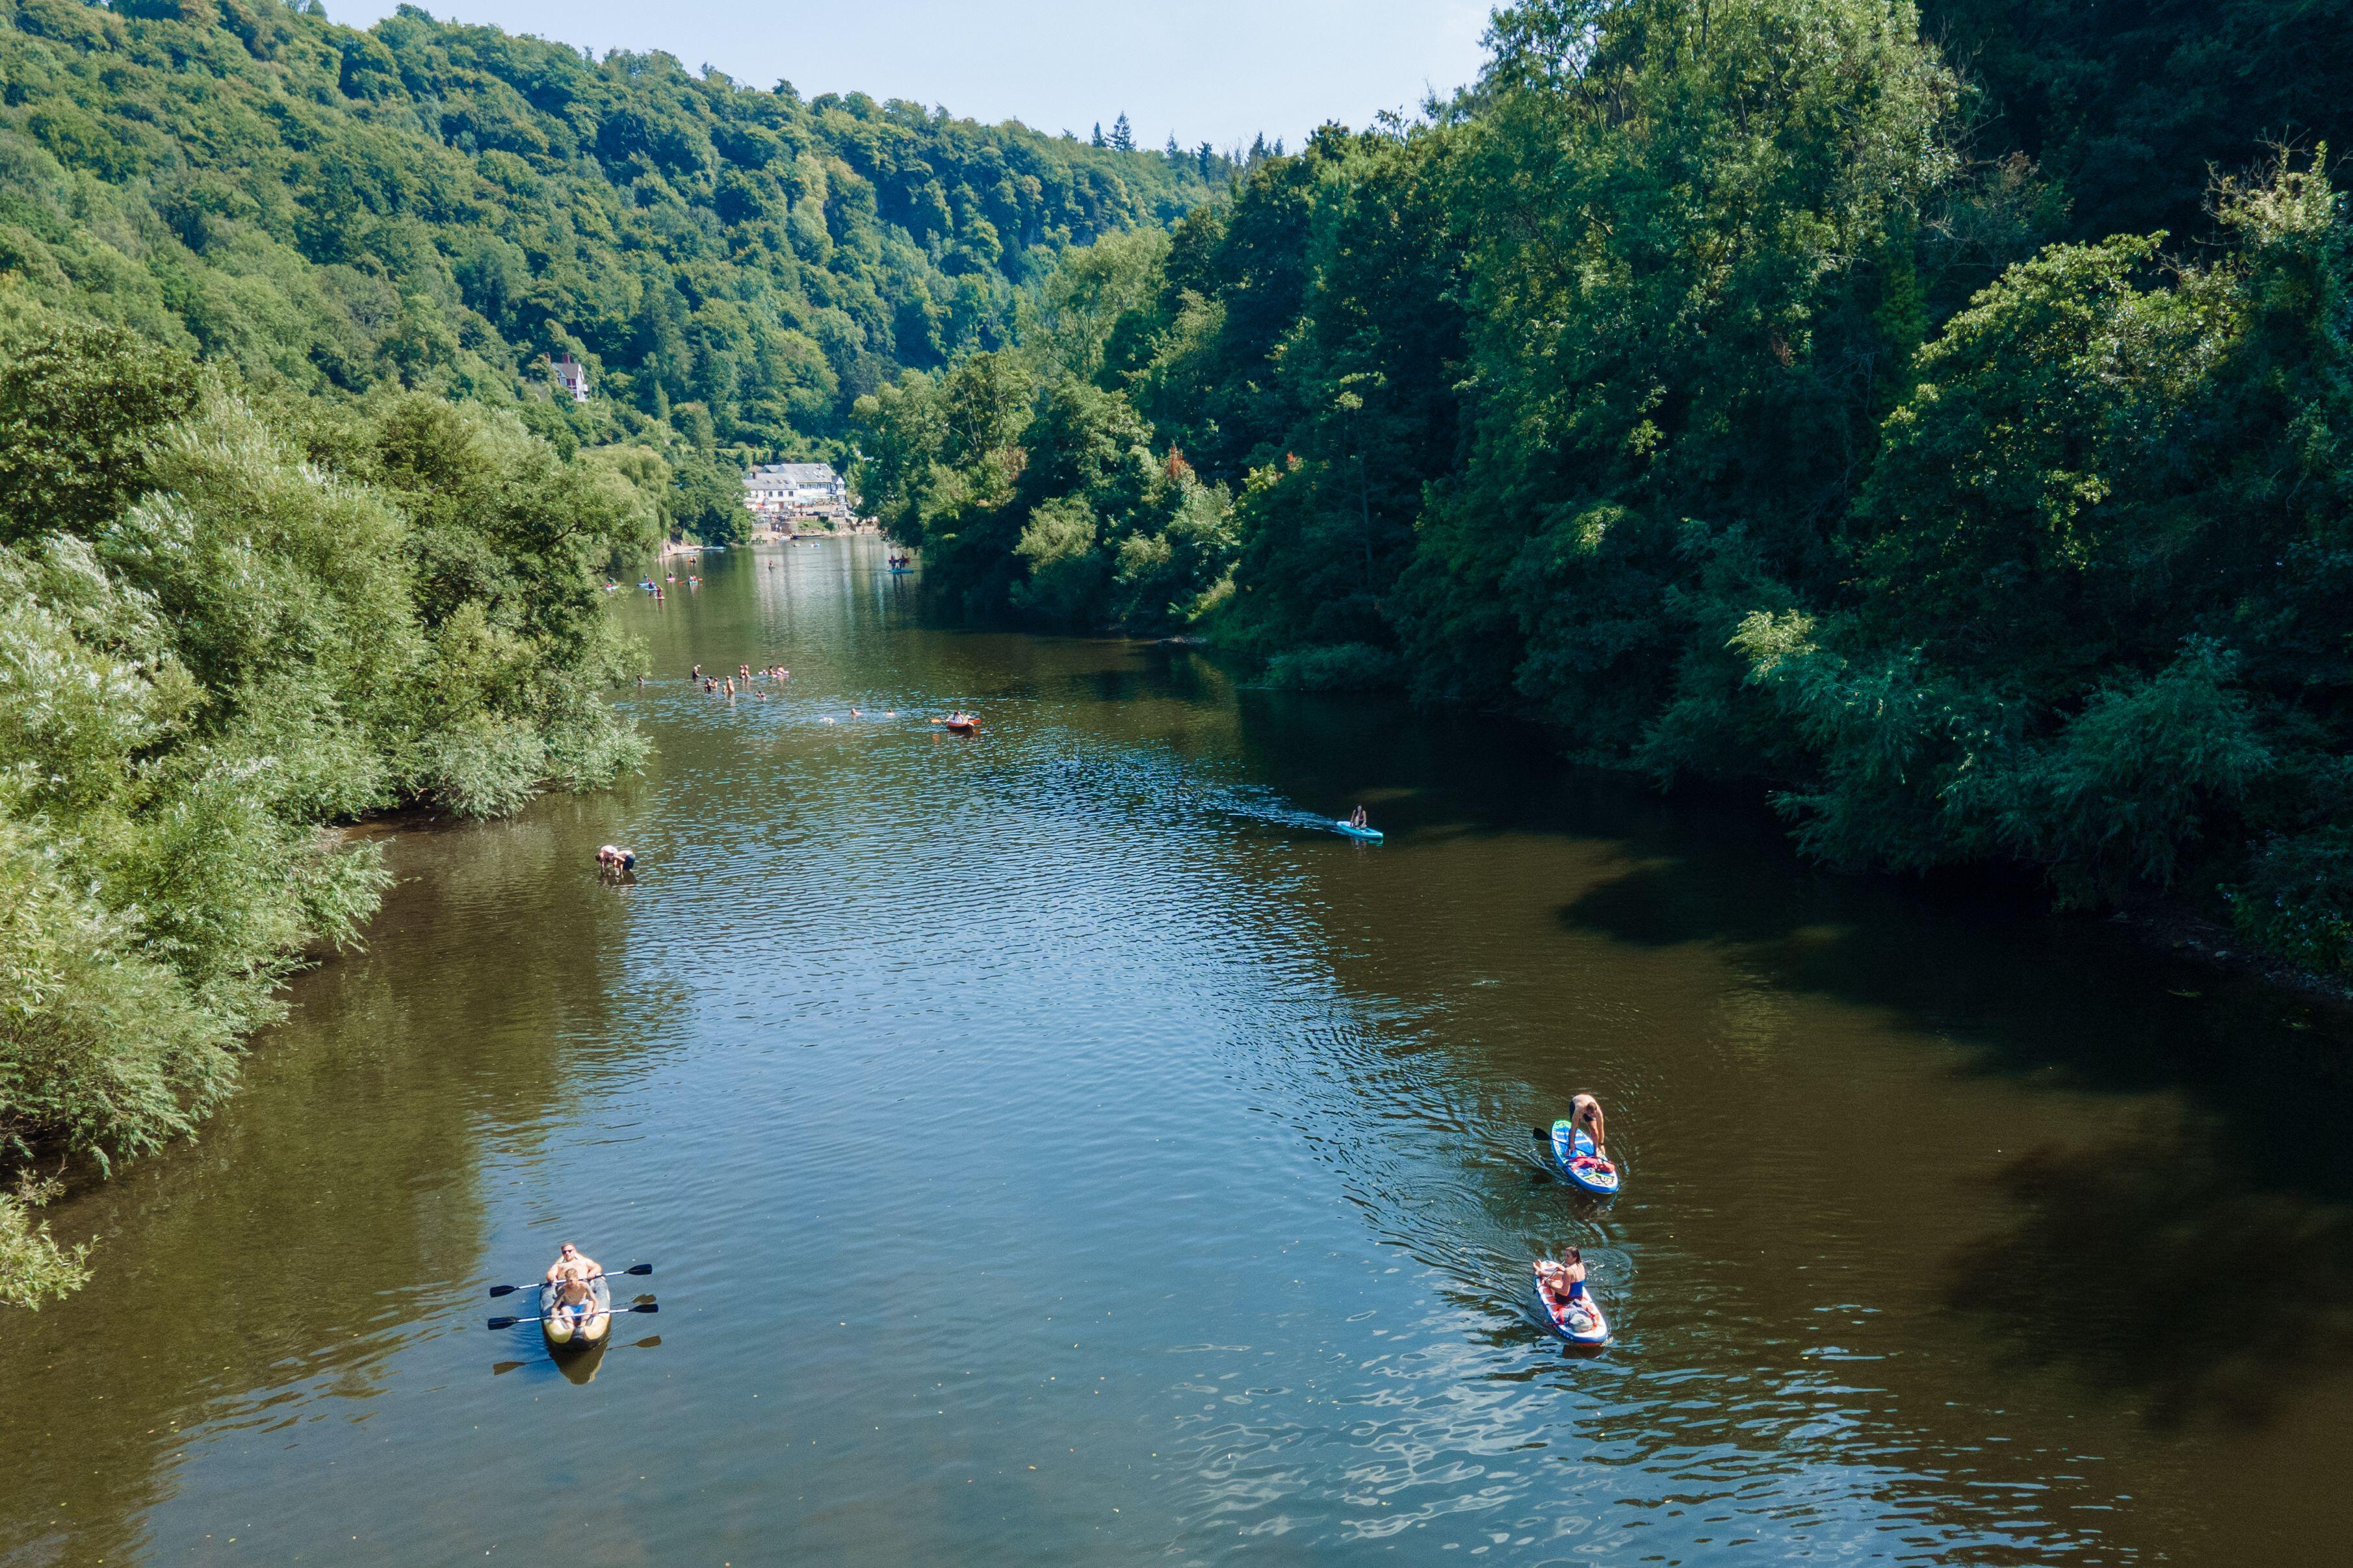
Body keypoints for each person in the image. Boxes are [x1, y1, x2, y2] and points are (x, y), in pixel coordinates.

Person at [545, 1242, 605, 1331]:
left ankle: (583, 1325)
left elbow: (597, 1267)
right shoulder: (559, 1266)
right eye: (564, 1252)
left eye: (570, 1251)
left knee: (590, 1304)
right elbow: (550, 1274)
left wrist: (592, 1273)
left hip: (582, 1289)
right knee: (564, 1309)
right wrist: (552, 1278)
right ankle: (571, 1328)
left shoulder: (583, 1262)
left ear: (575, 1251)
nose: (567, 1253)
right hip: (566, 1293)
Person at [1569, 1092, 1608, 1161]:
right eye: (1592, 1115)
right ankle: (1570, 1147)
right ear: (1585, 1111)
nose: (1594, 1117)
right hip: (1575, 1103)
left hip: (1589, 1105)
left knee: (1594, 1128)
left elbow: (1601, 1129)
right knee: (1576, 1126)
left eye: (1594, 1115)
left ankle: (1595, 1150)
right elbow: (1573, 1128)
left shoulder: (1598, 1113)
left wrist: (1601, 1144)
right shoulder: (1579, 1110)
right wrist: (1572, 1143)